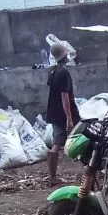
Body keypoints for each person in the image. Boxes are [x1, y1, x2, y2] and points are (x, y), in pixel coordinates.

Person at [45, 43, 80, 185]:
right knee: (78, 136)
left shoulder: (52, 71)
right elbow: (64, 96)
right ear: (65, 55)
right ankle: (54, 177)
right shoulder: (63, 72)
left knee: (57, 141)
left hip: (54, 111)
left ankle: (54, 175)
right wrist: (69, 119)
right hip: (63, 112)